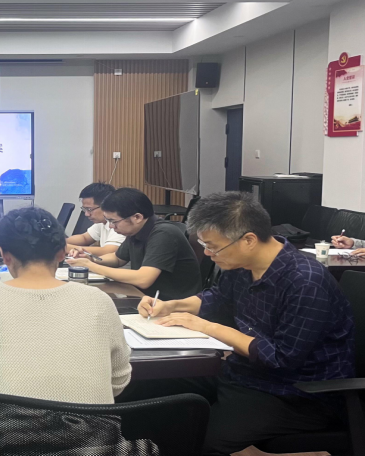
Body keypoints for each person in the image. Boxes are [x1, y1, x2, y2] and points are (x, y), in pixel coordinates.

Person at [126, 192, 354, 455]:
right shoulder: (241, 266)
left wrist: (209, 328)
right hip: (242, 375)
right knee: (144, 388)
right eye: (204, 245)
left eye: (213, 247)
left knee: (194, 439)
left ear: (248, 240)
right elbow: (217, 298)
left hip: (296, 394)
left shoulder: (305, 281)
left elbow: (281, 358)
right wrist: (171, 305)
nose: (208, 254)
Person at [0, 207, 131, 404]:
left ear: (4, 255)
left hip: (11, 425)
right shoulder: (99, 300)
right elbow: (118, 381)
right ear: (62, 253)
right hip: (94, 425)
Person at [67, 188, 201, 301]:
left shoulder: (164, 234)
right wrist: (90, 258)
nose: (111, 226)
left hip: (171, 305)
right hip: (146, 298)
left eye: (114, 221)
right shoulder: (135, 230)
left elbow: (143, 279)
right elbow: (117, 258)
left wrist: (91, 266)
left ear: (137, 217)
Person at [65, 183, 125, 259]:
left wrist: (64, 248)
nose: (86, 214)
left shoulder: (120, 223)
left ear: (106, 205)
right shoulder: (102, 222)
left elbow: (109, 251)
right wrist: (58, 242)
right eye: (85, 209)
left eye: (89, 209)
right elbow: (84, 238)